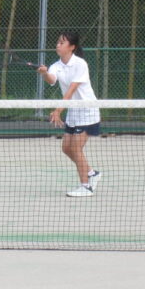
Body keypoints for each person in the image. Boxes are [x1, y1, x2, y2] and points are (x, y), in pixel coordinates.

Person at [37, 31, 102, 197]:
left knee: (76, 148)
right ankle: (92, 173)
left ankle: (86, 186)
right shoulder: (57, 65)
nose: (58, 45)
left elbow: (72, 90)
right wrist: (44, 73)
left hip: (87, 110)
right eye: (58, 42)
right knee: (66, 148)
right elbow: (52, 79)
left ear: (72, 47)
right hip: (74, 110)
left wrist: (58, 111)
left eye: (62, 42)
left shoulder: (80, 64)